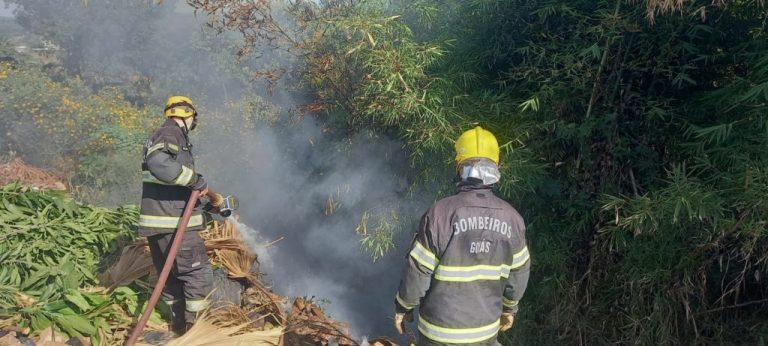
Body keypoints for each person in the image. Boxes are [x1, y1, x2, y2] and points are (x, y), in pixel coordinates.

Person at [394, 126, 531, 345]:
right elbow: (520, 273)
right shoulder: (513, 219)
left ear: (459, 167)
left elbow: (418, 270)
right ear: (495, 168)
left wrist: (404, 306)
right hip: (485, 333)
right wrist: (509, 309)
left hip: (438, 334)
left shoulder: (440, 214)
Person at [138, 95, 218, 334]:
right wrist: (195, 180)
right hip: (174, 224)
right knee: (197, 274)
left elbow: (169, 182)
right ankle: (199, 333)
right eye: (193, 117)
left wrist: (203, 204)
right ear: (187, 114)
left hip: (162, 222)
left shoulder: (164, 134)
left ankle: (178, 331)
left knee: (171, 279)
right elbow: (159, 163)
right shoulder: (170, 133)